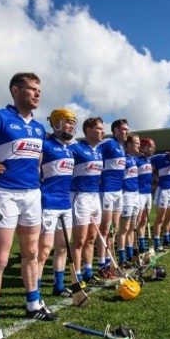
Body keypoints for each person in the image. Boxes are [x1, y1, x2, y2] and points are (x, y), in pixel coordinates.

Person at [0, 72, 57, 339]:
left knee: (32, 254)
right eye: (33, 89)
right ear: (16, 90)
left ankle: (33, 304)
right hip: (6, 195)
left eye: (40, 89)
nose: (38, 94)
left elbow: (37, 161)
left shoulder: (38, 128)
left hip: (32, 196)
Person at [36, 109, 79, 298]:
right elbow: (34, 170)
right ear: (56, 122)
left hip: (65, 204)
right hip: (47, 203)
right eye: (68, 121)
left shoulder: (69, 148)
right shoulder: (45, 145)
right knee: (44, 250)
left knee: (63, 247)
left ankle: (58, 286)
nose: (71, 125)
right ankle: (34, 291)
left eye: (73, 122)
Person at [70, 117, 105, 284]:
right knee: (79, 240)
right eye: (98, 128)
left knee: (91, 238)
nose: (102, 132)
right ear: (88, 130)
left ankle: (88, 273)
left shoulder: (98, 151)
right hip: (80, 197)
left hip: (95, 197)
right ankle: (76, 276)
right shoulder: (75, 148)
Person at [97, 119, 128, 274]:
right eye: (123, 129)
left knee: (114, 229)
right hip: (107, 190)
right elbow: (94, 153)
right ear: (115, 130)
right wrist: (98, 177)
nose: (126, 132)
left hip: (118, 191)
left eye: (127, 129)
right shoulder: (108, 143)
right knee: (104, 228)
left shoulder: (122, 147)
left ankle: (109, 261)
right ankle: (101, 264)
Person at [117, 133, 141, 268]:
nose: (139, 146)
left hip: (135, 195)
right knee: (124, 228)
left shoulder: (134, 160)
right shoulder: (124, 159)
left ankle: (131, 254)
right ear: (129, 145)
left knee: (132, 227)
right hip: (126, 196)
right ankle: (122, 257)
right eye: (136, 143)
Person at [136, 138, 155, 254]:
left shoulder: (149, 160)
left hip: (148, 193)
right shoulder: (136, 160)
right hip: (139, 193)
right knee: (137, 220)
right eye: (151, 146)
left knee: (144, 220)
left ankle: (142, 243)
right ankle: (134, 244)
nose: (152, 149)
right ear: (144, 147)